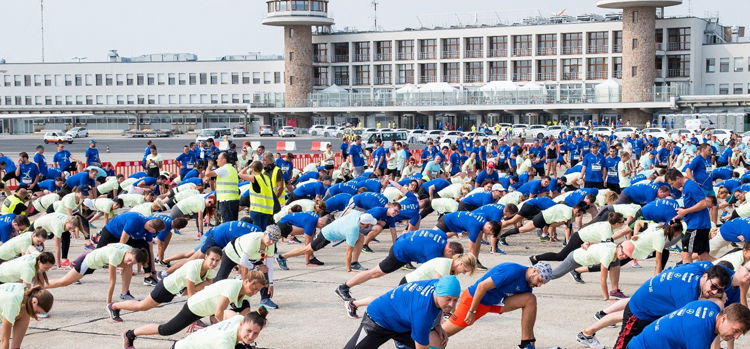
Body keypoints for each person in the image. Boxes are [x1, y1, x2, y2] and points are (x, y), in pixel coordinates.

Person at [122, 271, 267, 349]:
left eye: (258, 290)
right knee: (167, 329)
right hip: (195, 307)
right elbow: (218, 313)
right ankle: (130, 334)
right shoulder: (234, 287)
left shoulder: (242, 293)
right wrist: (224, 331)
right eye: (254, 288)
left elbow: (232, 314)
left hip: (206, 308)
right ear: (246, 281)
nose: (255, 291)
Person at [613, 262, 732, 348]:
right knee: (623, 345)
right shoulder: (686, 295)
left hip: (656, 310)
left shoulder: (698, 269)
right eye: (714, 287)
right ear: (705, 276)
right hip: (640, 309)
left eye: (720, 291)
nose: (715, 292)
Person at [442, 262, 553, 349]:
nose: (539, 285)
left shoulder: (528, 286)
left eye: (542, 283)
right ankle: (426, 341)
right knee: (443, 334)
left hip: (493, 302)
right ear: (534, 270)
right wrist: (472, 312)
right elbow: (481, 287)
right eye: (540, 280)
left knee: (530, 299)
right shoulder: (513, 271)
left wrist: (531, 339)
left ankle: (526, 342)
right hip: (475, 299)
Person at [335, 229, 464, 302]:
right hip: (400, 252)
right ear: (450, 251)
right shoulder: (434, 253)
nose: (449, 261)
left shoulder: (442, 237)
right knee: (375, 273)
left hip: (404, 242)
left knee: (375, 273)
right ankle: (344, 287)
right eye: (451, 258)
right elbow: (431, 276)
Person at [107, 247, 223, 322]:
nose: (214, 263)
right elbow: (191, 295)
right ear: (206, 256)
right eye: (212, 259)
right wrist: (193, 319)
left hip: (177, 290)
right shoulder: (195, 266)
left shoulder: (210, 270)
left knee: (206, 285)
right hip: (166, 287)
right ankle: (114, 306)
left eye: (217, 261)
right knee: (142, 306)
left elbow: (208, 288)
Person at [343, 276, 461, 349]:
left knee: (436, 344)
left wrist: (437, 325)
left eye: (455, 300)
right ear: (438, 293)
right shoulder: (423, 313)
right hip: (378, 321)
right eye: (448, 299)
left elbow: (440, 305)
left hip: (403, 323)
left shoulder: (439, 284)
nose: (452, 305)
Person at [46, 243, 148, 306]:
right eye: (130, 260)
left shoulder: (128, 249)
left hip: (95, 259)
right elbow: (112, 281)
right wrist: (109, 302)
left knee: (127, 266)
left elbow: (110, 244)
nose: (129, 263)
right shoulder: (115, 256)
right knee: (64, 282)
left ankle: (125, 294)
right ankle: (38, 285)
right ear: (129, 252)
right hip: (87, 262)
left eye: (133, 262)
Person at [277, 212, 375, 272]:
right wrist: (348, 269)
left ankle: (354, 263)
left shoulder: (357, 214)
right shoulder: (352, 230)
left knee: (360, 237)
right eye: (368, 225)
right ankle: (282, 257)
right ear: (362, 224)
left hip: (331, 230)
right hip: (326, 235)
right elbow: (348, 251)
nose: (369, 227)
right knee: (306, 249)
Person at [628, 301, 750, 349]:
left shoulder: (710, 307)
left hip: (643, 340)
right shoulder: (699, 334)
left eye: (740, 333)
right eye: (736, 330)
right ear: (723, 318)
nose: (737, 337)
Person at [548, 241, 634, 300]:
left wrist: (589, 243)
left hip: (583, 258)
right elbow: (603, 279)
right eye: (623, 253)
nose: (624, 256)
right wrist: (606, 298)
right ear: (619, 246)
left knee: (615, 262)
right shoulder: (607, 255)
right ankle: (535, 278)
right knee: (553, 275)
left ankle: (614, 291)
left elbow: (599, 243)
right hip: (575, 259)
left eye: (626, 256)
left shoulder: (612, 245)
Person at [665, 168, 712, 263]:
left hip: (697, 225)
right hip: (700, 224)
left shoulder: (690, 186)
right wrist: (681, 215)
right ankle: (727, 269)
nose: (672, 186)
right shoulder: (687, 187)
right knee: (703, 256)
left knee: (686, 254)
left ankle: (687, 275)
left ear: (678, 178)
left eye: (672, 183)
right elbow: (694, 205)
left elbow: (703, 203)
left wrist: (685, 211)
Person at [172, 307, 269, 349]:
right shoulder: (225, 342)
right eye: (249, 331)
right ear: (241, 324)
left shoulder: (239, 318)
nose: (251, 336)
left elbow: (226, 312)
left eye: (255, 333)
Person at [436, 211, 500, 270]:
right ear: (489, 227)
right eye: (488, 233)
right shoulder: (476, 226)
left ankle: (475, 261)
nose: (486, 234)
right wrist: (470, 259)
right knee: (434, 239)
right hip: (446, 221)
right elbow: (471, 244)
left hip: (453, 222)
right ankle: (472, 262)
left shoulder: (483, 221)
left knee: (479, 234)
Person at [0, 284, 54, 349]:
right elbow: (4, 340)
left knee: (26, 311)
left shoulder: (25, 292)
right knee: (26, 311)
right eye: (37, 312)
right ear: (34, 302)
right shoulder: (12, 303)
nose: (36, 314)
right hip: (9, 303)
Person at [239, 161, 274, 229]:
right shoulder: (267, 178)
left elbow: (240, 174)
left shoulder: (254, 178)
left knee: (256, 230)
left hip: (257, 209)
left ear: (253, 169)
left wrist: (249, 166)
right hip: (267, 209)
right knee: (263, 231)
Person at [206, 153, 240, 224]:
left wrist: (209, 165)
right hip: (234, 199)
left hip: (226, 200)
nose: (216, 160)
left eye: (218, 159)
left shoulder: (224, 169)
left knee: (226, 223)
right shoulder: (232, 169)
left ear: (224, 160)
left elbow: (207, 174)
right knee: (232, 223)